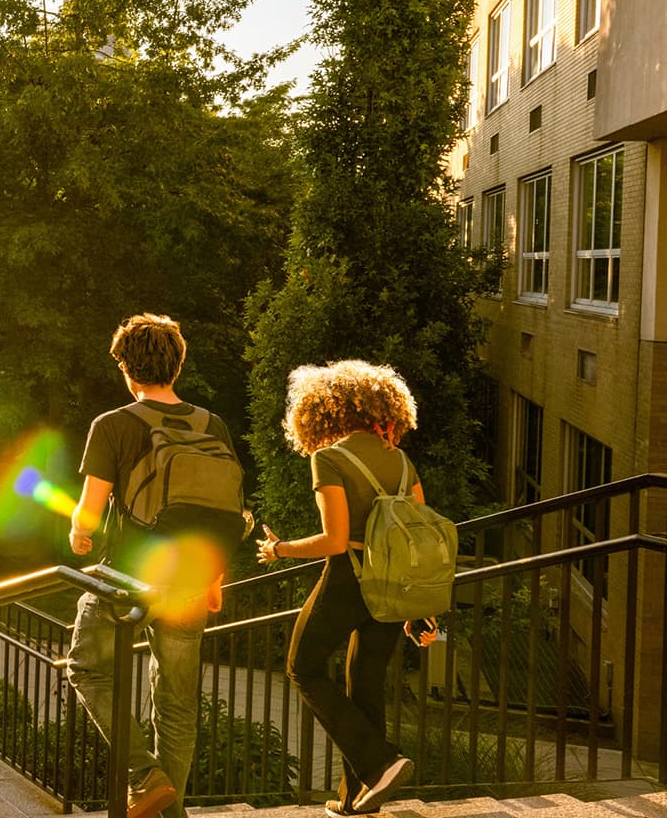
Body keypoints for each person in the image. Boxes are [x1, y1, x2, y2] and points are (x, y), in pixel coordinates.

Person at [68, 313, 240, 818]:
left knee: (85, 667)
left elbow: (90, 511)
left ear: (125, 367)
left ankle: (143, 775)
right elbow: (222, 509)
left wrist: (78, 534)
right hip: (190, 580)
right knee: (177, 706)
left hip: (128, 580)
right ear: (177, 365)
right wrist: (215, 578)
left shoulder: (113, 425)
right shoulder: (214, 425)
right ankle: (170, 811)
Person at [255, 360, 437, 816]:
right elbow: (418, 536)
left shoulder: (329, 458)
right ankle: (358, 798)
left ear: (321, 414)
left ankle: (380, 762)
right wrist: (421, 611)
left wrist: (280, 550)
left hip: (349, 579)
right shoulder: (400, 459)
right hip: (395, 585)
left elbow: (334, 540)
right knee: (366, 685)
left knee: (303, 667)